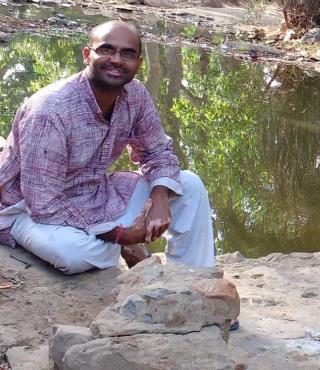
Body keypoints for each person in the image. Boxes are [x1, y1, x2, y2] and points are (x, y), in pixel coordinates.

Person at [0, 20, 215, 274]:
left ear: (138, 63)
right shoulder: (50, 111)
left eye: (128, 54)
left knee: (188, 185)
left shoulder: (135, 96)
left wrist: (159, 195)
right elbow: (43, 204)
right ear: (86, 55)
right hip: (27, 210)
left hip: (94, 195)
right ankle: (117, 245)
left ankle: (191, 277)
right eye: (106, 50)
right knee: (74, 254)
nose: (117, 60)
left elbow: (158, 152)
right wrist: (120, 235)